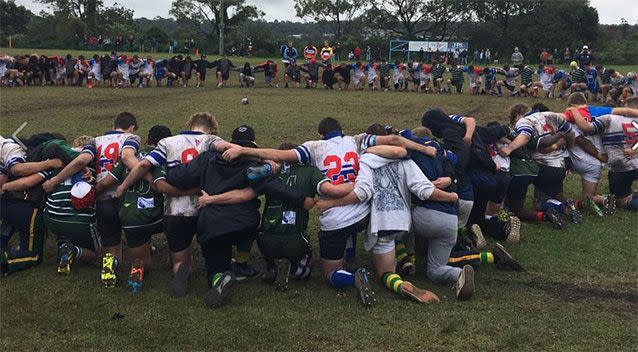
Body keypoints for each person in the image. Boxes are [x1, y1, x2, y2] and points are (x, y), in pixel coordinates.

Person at [221, 117, 438, 306]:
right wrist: (425, 148)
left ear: (320, 134)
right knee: (385, 269)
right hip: (364, 214)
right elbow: (395, 141)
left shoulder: (314, 147)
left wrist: (243, 150)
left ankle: (351, 277)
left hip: (334, 221)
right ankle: (398, 283)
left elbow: (280, 155)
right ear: (341, 130)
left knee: (330, 273)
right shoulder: (357, 140)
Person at [166, 126, 306, 309]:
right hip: (245, 223)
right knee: (253, 227)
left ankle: (218, 276)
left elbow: (178, 177)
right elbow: (277, 188)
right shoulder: (256, 167)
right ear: (253, 144)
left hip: (213, 224)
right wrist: (303, 199)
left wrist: (170, 170)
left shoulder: (207, 159)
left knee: (216, 259)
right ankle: (241, 263)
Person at [115, 112, 236, 296]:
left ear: (190, 125)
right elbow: (228, 148)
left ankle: (181, 270)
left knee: (180, 255)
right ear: (210, 129)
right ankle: (217, 276)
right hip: (207, 207)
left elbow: (142, 166)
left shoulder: (168, 142)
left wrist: (123, 186)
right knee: (215, 254)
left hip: (175, 210)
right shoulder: (211, 140)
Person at [42, 112, 142, 287]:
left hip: (103, 199)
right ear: (132, 127)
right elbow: (127, 158)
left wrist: (54, 181)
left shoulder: (96, 141)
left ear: (113, 126)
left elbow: (81, 160)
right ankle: (137, 271)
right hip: (126, 196)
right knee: (138, 241)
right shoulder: (132, 138)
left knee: (111, 241)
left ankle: (110, 266)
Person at [2, 136, 98, 276]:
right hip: (79, 218)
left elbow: (26, 183)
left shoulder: (57, 163)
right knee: (97, 254)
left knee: (60, 225)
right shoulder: (92, 165)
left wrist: (4, 187)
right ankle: (75, 250)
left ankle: (64, 245)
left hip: (53, 217)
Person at [96, 125, 173, 293]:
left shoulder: (128, 157)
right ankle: (175, 257)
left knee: (140, 258)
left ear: (147, 139)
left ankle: (123, 265)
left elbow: (107, 182)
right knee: (177, 223)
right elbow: (162, 186)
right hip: (157, 216)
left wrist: (91, 192)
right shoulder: (162, 157)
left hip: (131, 218)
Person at [571, 97, 638, 211]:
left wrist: (573, 110)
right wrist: (635, 150)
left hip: (620, 169)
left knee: (623, 201)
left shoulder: (608, 119)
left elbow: (586, 128)